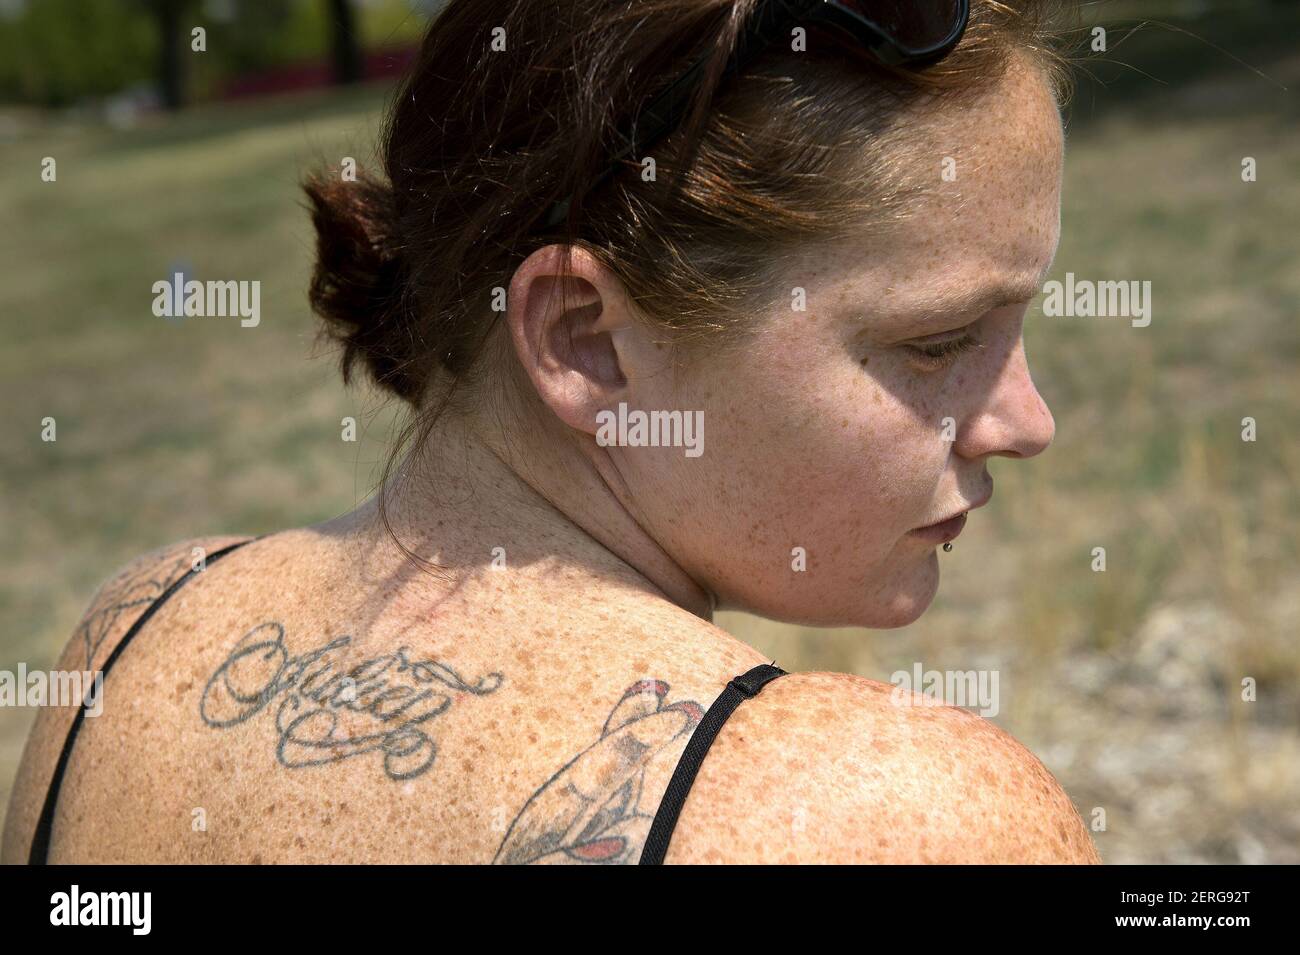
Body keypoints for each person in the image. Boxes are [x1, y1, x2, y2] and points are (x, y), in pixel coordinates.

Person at [4, 0, 1100, 864]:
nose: (1026, 422)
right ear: (584, 341)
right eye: (938, 339)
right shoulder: (890, 815)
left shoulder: (129, 647)